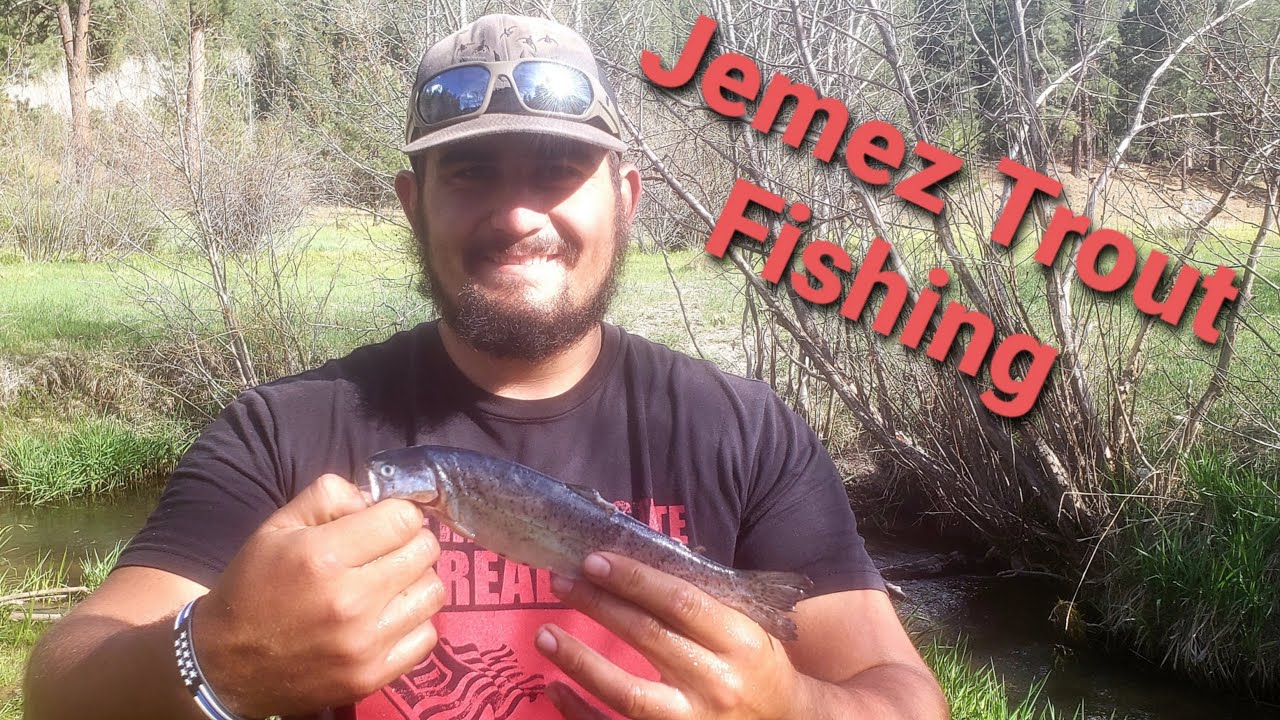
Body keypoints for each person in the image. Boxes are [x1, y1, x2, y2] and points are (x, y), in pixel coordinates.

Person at [23, 13, 947, 720]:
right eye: (469, 172)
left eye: (555, 169)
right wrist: (211, 658)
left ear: (625, 199)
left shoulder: (742, 429)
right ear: (410, 204)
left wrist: (792, 706)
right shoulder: (283, 430)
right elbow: (59, 681)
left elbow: (900, 696)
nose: (515, 214)